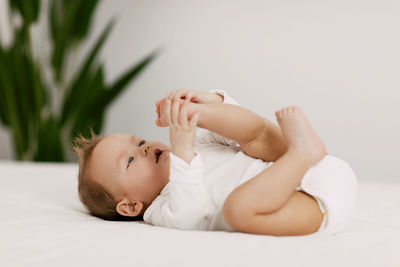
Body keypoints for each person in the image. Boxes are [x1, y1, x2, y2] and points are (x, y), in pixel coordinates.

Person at [73, 89, 358, 236]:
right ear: (131, 205)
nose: (145, 148)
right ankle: (301, 151)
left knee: (254, 137)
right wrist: (183, 151)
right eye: (131, 159)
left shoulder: (196, 146)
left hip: (315, 168)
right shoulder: (161, 209)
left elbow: (241, 129)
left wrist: (201, 107)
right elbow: (190, 212)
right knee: (238, 210)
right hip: (311, 205)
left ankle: (299, 150)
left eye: (139, 141)